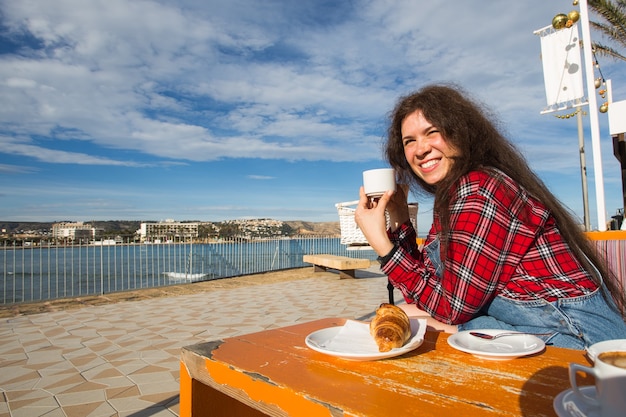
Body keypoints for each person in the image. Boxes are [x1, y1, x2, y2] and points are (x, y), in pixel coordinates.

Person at [355, 84, 626, 350]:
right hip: (543, 325)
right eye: (409, 141)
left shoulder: (481, 190)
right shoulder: (455, 195)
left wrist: (383, 246)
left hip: (583, 341)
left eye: (432, 133)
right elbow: (430, 289)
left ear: (461, 134)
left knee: (421, 325)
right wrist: (401, 220)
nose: (420, 149)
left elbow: (449, 307)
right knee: (410, 315)